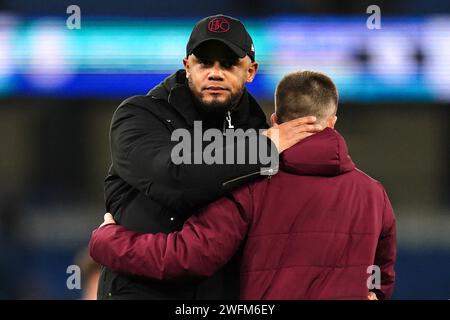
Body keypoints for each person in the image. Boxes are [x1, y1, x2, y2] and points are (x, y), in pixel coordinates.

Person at [90, 70, 396, 300]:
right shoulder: (374, 194)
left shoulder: (250, 183)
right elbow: (380, 276)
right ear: (332, 122)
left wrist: (109, 241)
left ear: (274, 120)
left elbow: (187, 258)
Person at [98, 14, 322, 299]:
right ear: (187, 66)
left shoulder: (262, 133)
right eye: (204, 62)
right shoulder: (140, 116)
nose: (215, 73)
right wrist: (260, 150)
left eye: (228, 64)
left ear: (251, 71)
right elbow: (174, 178)